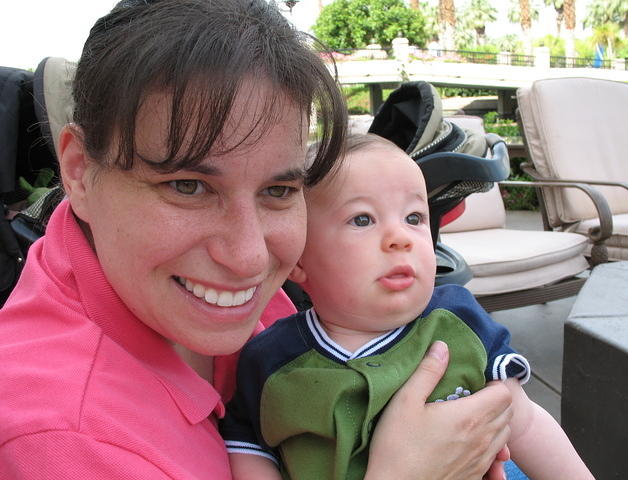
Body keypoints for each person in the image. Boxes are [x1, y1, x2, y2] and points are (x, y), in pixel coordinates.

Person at [0, 1, 515, 478]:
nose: (249, 259)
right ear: (78, 170)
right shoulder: (66, 441)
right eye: (188, 186)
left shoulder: (157, 276)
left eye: (278, 190)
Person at [221, 134, 594, 480]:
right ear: (298, 257)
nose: (400, 238)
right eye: (362, 219)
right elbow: (249, 450)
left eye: (414, 218)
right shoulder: (272, 361)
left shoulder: (457, 322)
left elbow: (524, 422)